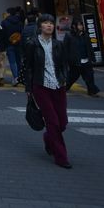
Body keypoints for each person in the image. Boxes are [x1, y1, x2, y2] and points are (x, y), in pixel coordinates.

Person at [24, 14, 71, 168]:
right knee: (53, 122)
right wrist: (28, 88)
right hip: (41, 86)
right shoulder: (32, 44)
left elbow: (64, 64)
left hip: (58, 85)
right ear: (40, 26)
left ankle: (48, 138)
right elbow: (28, 67)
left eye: (51, 22)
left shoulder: (59, 44)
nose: (49, 25)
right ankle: (61, 157)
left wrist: (64, 78)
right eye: (45, 23)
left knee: (62, 122)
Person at [65, 17, 99, 96]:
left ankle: (92, 91)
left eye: (81, 25)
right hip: (75, 61)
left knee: (89, 76)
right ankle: (65, 88)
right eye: (79, 25)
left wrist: (92, 57)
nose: (81, 27)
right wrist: (66, 60)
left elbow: (89, 47)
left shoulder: (85, 35)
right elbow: (65, 49)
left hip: (86, 60)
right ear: (74, 26)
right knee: (72, 77)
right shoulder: (69, 36)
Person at [2, 7, 25, 85]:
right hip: (19, 43)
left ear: (8, 13)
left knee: (12, 62)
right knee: (19, 61)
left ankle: (16, 78)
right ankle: (20, 77)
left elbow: (3, 35)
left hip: (9, 44)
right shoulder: (20, 21)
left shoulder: (4, 22)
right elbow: (22, 32)